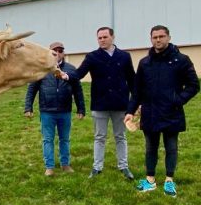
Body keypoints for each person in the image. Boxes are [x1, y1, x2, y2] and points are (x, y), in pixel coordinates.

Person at [125, 25, 199, 197]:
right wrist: (130, 110)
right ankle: (150, 181)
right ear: (151, 39)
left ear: (169, 37)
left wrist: (178, 100)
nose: (158, 40)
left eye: (161, 36)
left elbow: (194, 85)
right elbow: (137, 91)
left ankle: (169, 181)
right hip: (150, 113)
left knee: (171, 147)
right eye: (155, 37)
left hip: (171, 112)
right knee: (151, 148)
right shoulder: (145, 63)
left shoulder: (181, 60)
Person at [60, 27, 136, 180]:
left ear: (112, 37)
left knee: (120, 136)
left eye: (105, 37)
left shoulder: (124, 56)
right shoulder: (92, 57)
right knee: (99, 137)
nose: (102, 40)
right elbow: (79, 73)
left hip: (120, 104)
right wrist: (66, 75)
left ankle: (124, 166)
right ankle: (97, 167)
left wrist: (135, 102)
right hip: (100, 104)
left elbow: (132, 79)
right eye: (99, 37)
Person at [24, 42, 85, 176]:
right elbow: (32, 89)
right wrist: (28, 107)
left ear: (64, 53)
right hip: (47, 111)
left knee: (65, 139)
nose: (58, 53)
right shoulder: (42, 68)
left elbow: (78, 90)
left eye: (60, 50)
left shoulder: (71, 69)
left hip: (65, 111)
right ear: (50, 52)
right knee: (48, 139)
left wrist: (81, 109)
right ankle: (49, 167)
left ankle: (65, 164)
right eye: (54, 50)